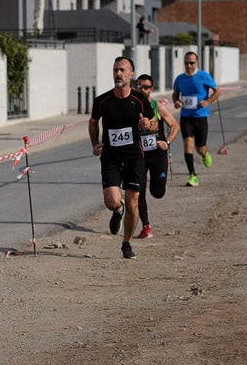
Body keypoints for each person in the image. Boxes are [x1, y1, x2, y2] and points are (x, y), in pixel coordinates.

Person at [88, 56, 156, 259]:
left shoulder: (139, 99)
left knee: (133, 200)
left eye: (122, 70)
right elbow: (92, 122)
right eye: (115, 70)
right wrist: (94, 143)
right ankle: (118, 211)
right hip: (110, 156)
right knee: (112, 201)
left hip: (135, 156)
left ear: (131, 74)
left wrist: (147, 126)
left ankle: (126, 242)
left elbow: (154, 124)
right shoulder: (102, 101)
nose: (118, 74)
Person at [133, 74, 179, 239]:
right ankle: (146, 227)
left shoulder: (157, 106)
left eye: (146, 87)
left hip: (157, 153)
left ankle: (161, 185)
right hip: (139, 155)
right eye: (139, 86)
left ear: (151, 89)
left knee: (157, 192)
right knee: (138, 191)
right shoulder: (131, 105)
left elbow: (174, 125)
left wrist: (166, 142)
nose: (142, 89)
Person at [172, 51, 220, 186]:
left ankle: (205, 154)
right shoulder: (180, 79)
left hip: (200, 116)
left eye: (191, 63)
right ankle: (192, 176)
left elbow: (218, 91)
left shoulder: (204, 76)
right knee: (188, 145)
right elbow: (175, 94)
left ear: (196, 63)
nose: (189, 65)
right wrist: (176, 102)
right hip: (186, 117)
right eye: (186, 63)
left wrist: (208, 101)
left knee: (200, 148)